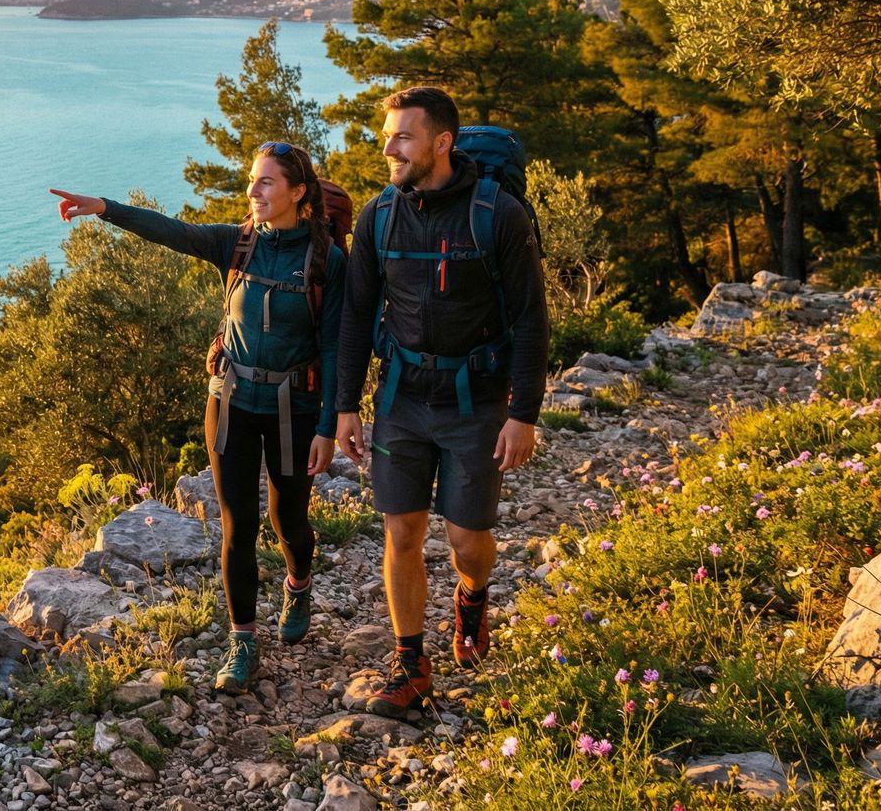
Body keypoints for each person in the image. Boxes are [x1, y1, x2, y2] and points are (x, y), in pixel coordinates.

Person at [50, 141, 344, 694]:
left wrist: (329, 424)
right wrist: (106, 208)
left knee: (289, 521)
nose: (253, 192)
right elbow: (173, 230)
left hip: (293, 409)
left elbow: (336, 348)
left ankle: (299, 582)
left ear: (298, 192)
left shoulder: (327, 260)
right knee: (237, 526)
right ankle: (243, 642)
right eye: (251, 181)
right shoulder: (236, 244)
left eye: (265, 183)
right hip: (229, 401)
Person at [332, 86, 549, 719]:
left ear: (442, 142)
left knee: (466, 538)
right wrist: (347, 405)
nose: (389, 148)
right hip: (400, 396)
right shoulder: (379, 216)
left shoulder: (496, 216)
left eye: (403, 137)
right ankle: (410, 662)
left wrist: (523, 413)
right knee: (401, 531)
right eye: (387, 136)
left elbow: (533, 321)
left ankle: (473, 597)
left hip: (475, 401)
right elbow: (355, 315)